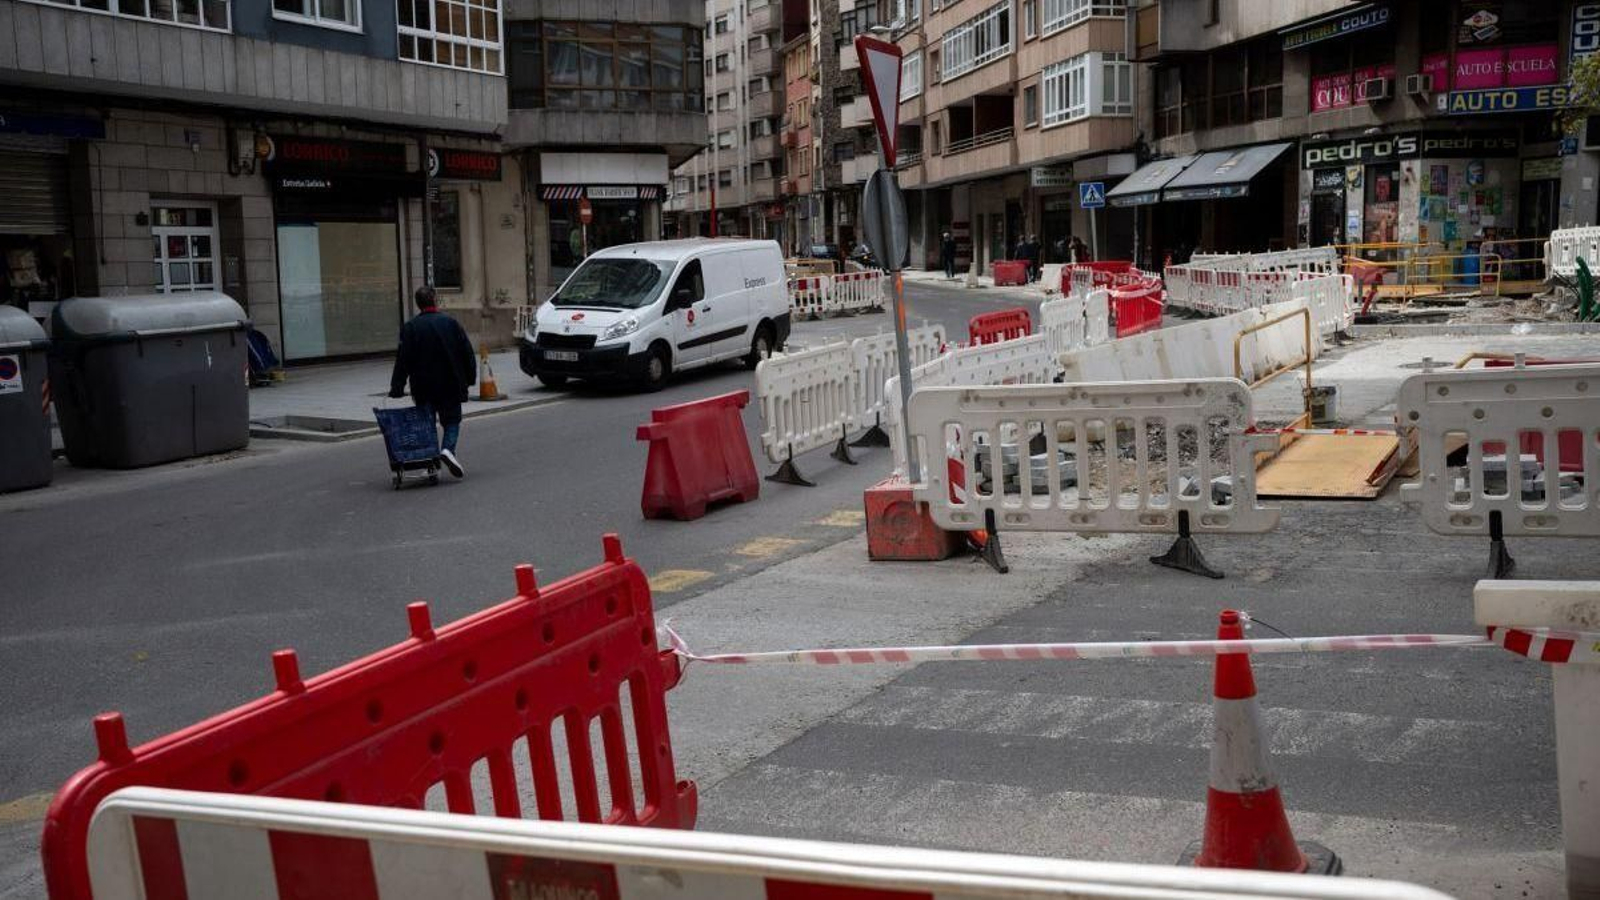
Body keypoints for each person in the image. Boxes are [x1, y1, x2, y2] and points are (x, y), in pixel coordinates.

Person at [389, 285, 477, 478]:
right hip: (450, 383)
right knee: (452, 420)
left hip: (423, 386)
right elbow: (467, 353)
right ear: (435, 300)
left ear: (418, 304)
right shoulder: (451, 324)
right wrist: (470, 378)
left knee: (426, 424)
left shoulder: (411, 328)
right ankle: (448, 450)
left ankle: (430, 465)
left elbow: (403, 360)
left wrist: (397, 386)